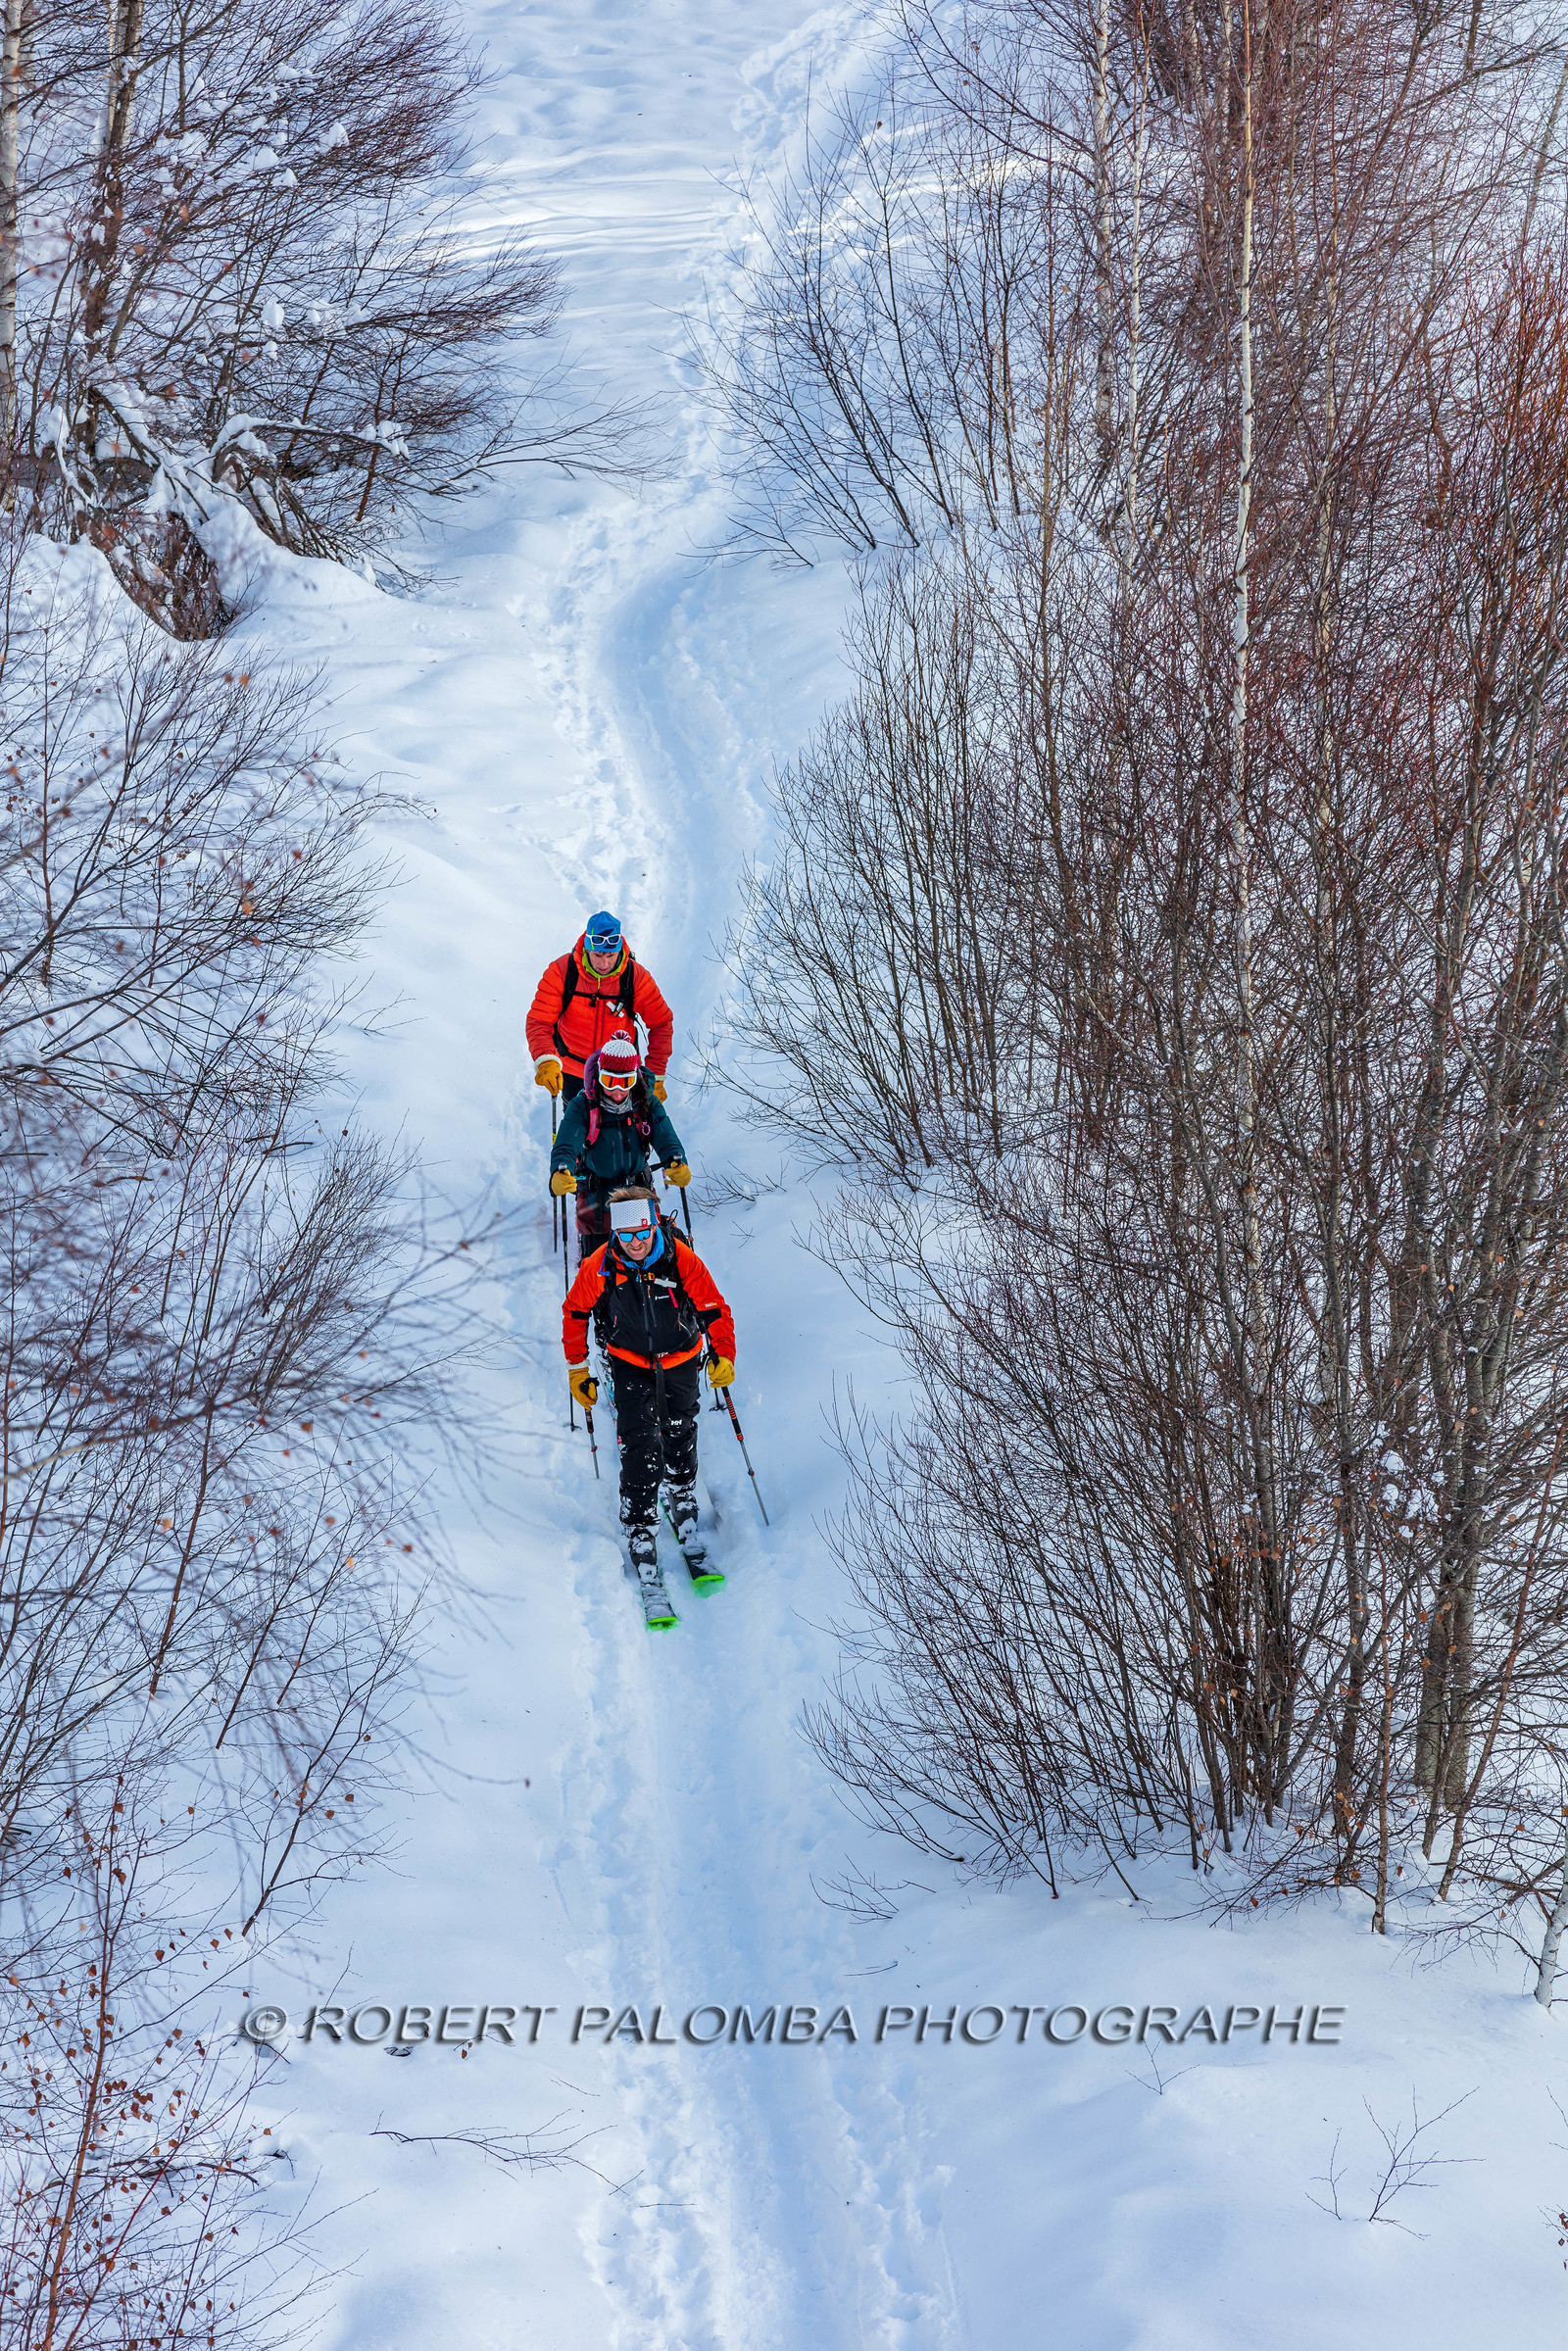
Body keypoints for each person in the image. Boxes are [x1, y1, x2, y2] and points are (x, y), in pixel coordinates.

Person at [562, 1187, 735, 1592]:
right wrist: (577, 1368)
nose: (636, 1244)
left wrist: (723, 1353)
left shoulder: (681, 1259)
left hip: (680, 1358)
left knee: (679, 1426)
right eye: (627, 1237)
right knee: (638, 1441)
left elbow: (713, 1308)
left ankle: (682, 1489)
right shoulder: (600, 1265)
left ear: (653, 1226)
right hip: (629, 1361)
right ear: (616, 1235)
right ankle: (640, 1523)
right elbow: (574, 1312)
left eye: (642, 1234)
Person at [549, 1030, 691, 1254]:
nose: (617, 1092)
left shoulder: (645, 1102)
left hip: (637, 1193)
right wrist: (559, 1170)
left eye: (625, 1082)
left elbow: (665, 1135)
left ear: (635, 1078)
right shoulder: (583, 1105)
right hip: (598, 1201)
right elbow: (567, 1143)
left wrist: (675, 1160)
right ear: (599, 1075)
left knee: (641, 1255)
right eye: (610, 1081)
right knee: (599, 1268)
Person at [527, 910, 674, 1102]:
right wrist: (546, 1059)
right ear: (587, 949)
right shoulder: (562, 971)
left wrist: (656, 1074)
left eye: (610, 956)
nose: (604, 964)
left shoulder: (635, 977)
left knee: (620, 1131)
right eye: (598, 955)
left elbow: (661, 1023)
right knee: (578, 1128)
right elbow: (539, 1020)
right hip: (573, 1070)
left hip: (622, 1073)